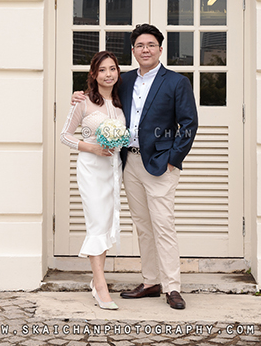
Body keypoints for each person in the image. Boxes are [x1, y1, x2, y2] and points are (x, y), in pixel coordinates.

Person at [72, 24, 198, 310]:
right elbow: (99, 97)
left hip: (160, 164)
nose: (145, 50)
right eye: (140, 45)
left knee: (163, 225)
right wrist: (77, 96)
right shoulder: (124, 80)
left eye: (151, 45)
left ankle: (172, 286)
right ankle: (151, 280)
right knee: (142, 225)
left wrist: (173, 159)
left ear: (160, 49)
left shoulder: (177, 82)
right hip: (129, 162)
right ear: (133, 50)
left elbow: (189, 125)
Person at [60, 50, 126, 310]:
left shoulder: (122, 102)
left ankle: (96, 280)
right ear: (93, 74)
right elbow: (65, 136)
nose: (108, 74)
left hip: (113, 168)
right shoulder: (83, 102)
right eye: (102, 70)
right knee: (97, 222)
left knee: (107, 222)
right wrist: (93, 148)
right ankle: (100, 286)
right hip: (91, 167)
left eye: (112, 69)